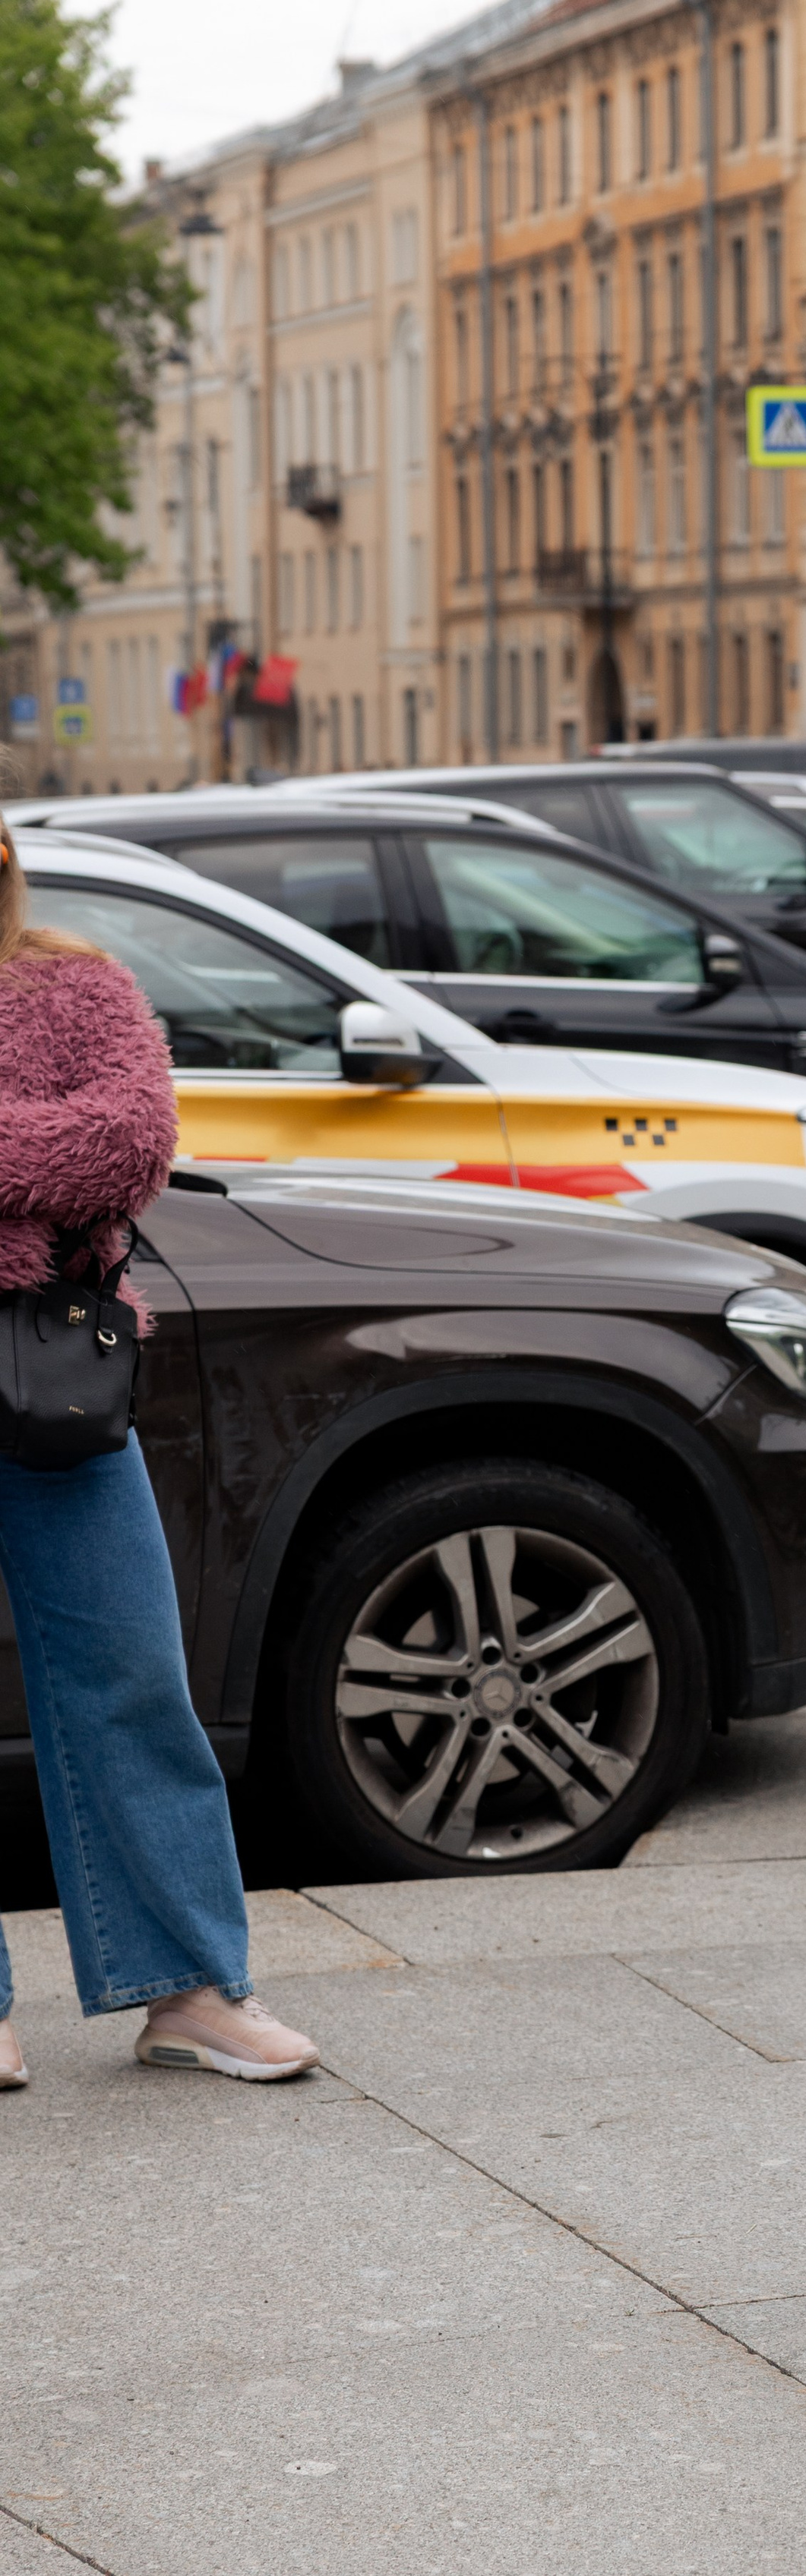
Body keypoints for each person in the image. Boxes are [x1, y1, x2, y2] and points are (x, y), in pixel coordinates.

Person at [0, 815, 319, 2090]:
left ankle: (185, 1989)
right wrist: (38, 1144)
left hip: (53, 1376)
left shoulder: (74, 981)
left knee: (132, 1672)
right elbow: (75, 1146)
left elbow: (132, 1141)